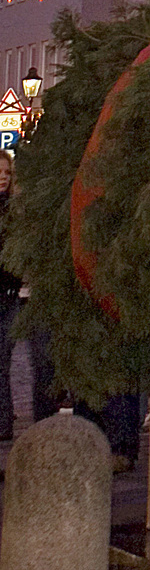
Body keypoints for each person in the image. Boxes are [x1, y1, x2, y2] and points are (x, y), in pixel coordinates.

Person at [0, 151, 18, 439]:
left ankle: (3, 423)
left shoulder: (14, 210)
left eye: (7, 173)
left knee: (3, 361)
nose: (3, 178)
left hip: (6, 293)